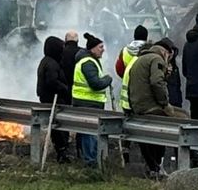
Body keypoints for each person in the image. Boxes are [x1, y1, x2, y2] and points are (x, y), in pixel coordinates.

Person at [127, 39, 181, 173]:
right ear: (165, 52)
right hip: (151, 106)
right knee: (182, 119)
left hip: (137, 106)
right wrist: (165, 104)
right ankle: (162, 165)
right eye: (169, 55)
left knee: (147, 139)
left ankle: (153, 166)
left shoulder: (139, 60)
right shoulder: (157, 59)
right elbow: (157, 82)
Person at [71, 34, 113, 166]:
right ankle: (91, 162)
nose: (103, 49)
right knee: (90, 134)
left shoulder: (88, 60)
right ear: (93, 48)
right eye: (100, 47)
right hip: (88, 103)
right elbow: (96, 84)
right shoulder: (88, 63)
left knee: (86, 133)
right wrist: (108, 79)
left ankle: (87, 158)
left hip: (86, 102)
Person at [36, 36, 72, 162]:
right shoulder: (51, 63)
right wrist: (64, 88)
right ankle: (62, 151)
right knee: (58, 127)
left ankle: (61, 150)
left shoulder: (46, 61)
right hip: (53, 99)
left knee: (56, 127)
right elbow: (52, 81)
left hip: (47, 98)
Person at [116, 25, 149, 110]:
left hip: (128, 87)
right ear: (146, 37)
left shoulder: (124, 51)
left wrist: (126, 77)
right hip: (144, 87)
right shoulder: (149, 50)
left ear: (134, 36)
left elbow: (119, 69)